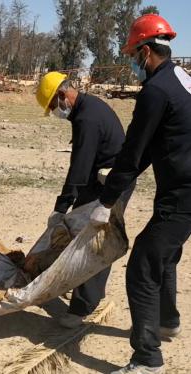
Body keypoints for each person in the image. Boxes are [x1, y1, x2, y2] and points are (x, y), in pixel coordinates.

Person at [89, 15, 190, 374]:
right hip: (182, 188)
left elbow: (134, 151)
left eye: (133, 55)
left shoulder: (156, 90)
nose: (133, 63)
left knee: (142, 268)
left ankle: (147, 359)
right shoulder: (180, 77)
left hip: (182, 194)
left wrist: (105, 202)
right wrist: (117, 182)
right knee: (165, 255)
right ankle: (168, 322)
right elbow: (151, 147)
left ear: (146, 52)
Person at [36, 72, 133, 328]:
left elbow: (78, 169)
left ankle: (81, 309)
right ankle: (86, 290)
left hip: (110, 186)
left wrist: (61, 206)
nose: (56, 111)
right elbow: (83, 166)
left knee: (93, 243)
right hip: (99, 181)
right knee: (82, 236)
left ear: (62, 95)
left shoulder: (87, 118)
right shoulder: (85, 109)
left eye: (54, 106)